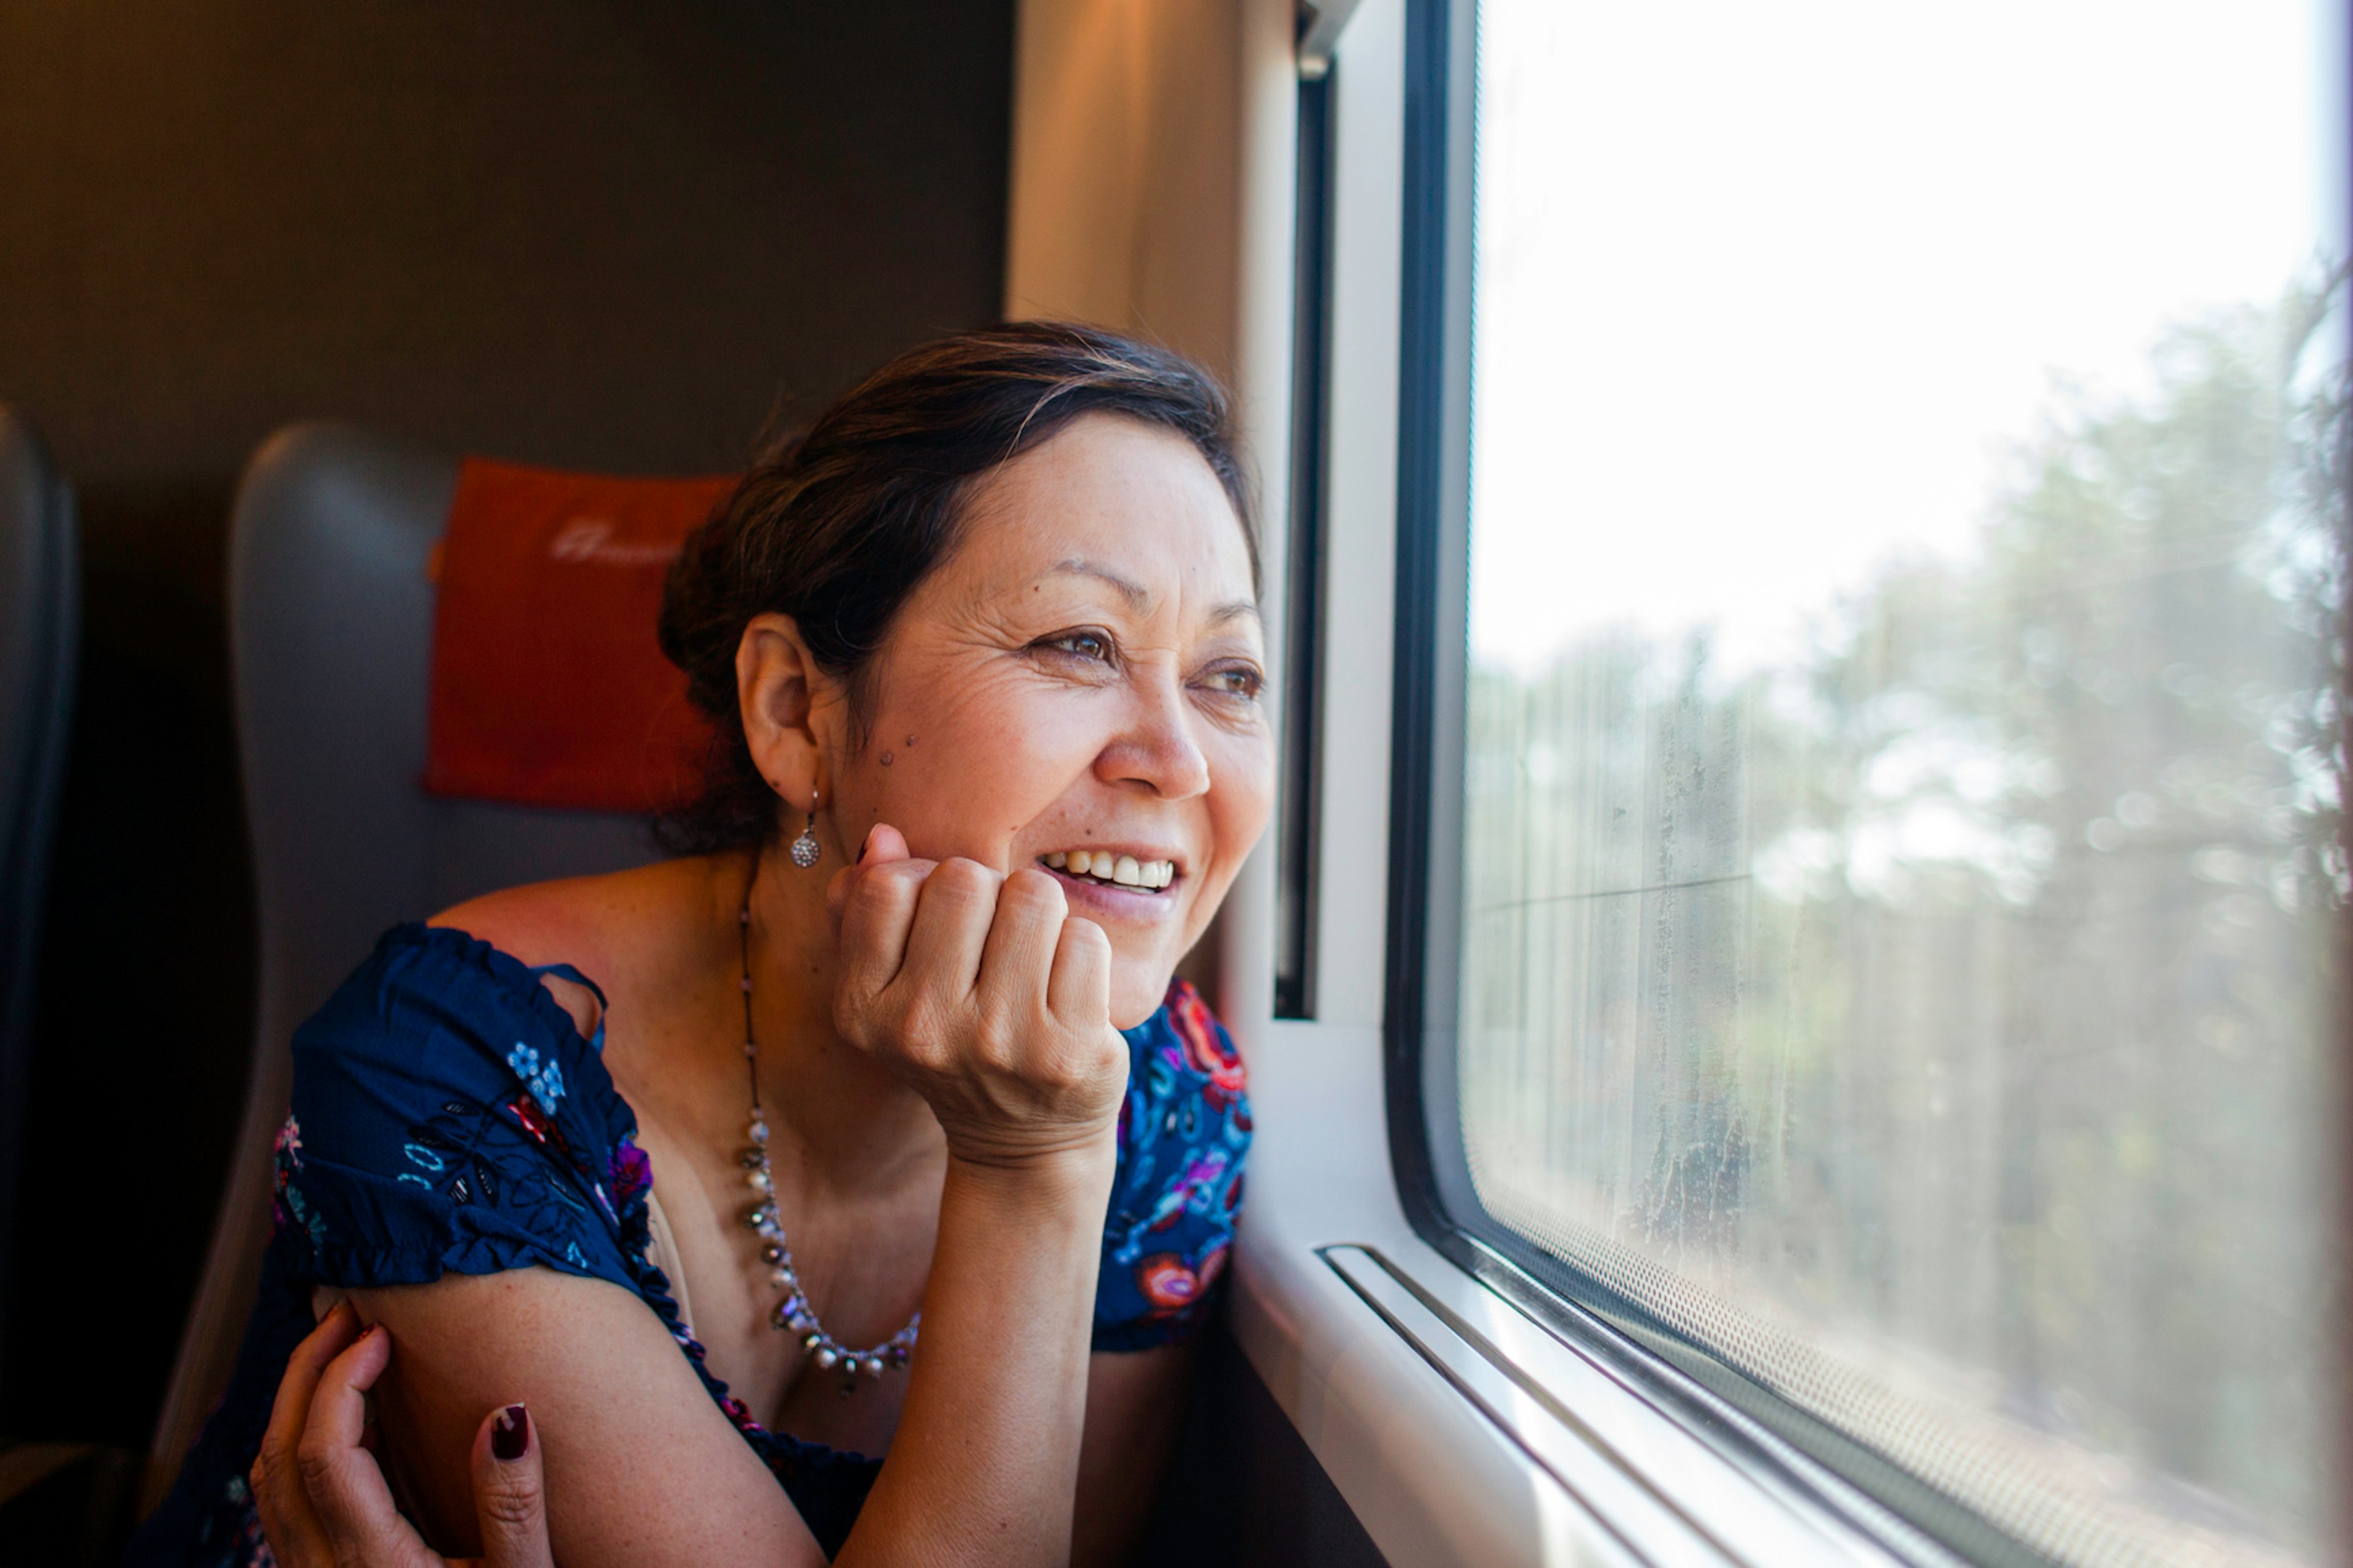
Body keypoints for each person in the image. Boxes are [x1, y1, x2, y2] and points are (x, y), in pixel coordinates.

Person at [128, 322, 1271, 1568]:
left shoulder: (1163, 1112)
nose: (1180, 758)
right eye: (1080, 643)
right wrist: (1031, 1164)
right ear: (795, 712)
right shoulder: (451, 1070)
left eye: (1229, 675)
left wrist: (1051, 1155)